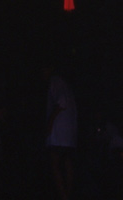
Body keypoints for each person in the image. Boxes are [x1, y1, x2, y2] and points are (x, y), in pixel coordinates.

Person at [44, 66, 77, 200]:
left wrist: (50, 123)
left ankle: (63, 195)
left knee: (55, 162)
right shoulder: (66, 85)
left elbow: (61, 102)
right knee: (66, 160)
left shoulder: (56, 81)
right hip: (69, 130)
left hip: (60, 130)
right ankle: (67, 194)